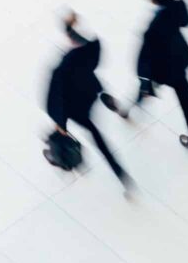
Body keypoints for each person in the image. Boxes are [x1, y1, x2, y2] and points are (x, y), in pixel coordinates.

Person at [44, 11, 132, 190]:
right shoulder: (85, 54)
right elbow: (88, 43)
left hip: (77, 109)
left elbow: (58, 96)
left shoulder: (61, 72)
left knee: (97, 139)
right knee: (98, 138)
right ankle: (108, 100)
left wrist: (60, 123)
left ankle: (117, 174)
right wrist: (69, 28)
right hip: (89, 92)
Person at [122, 0, 188, 158]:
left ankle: (128, 109)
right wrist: (166, 1)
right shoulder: (174, 10)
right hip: (178, 65)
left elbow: (144, 59)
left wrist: (145, 81)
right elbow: (186, 20)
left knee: (144, 88)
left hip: (161, 72)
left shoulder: (152, 28)